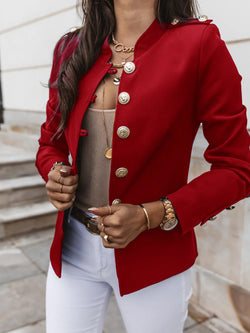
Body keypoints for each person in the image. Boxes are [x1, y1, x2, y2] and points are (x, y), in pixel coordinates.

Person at [35, 0, 250, 332]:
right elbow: (51, 143)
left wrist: (154, 213)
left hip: (156, 260)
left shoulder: (200, 43)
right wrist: (54, 172)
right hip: (73, 250)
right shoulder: (71, 47)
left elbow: (237, 167)